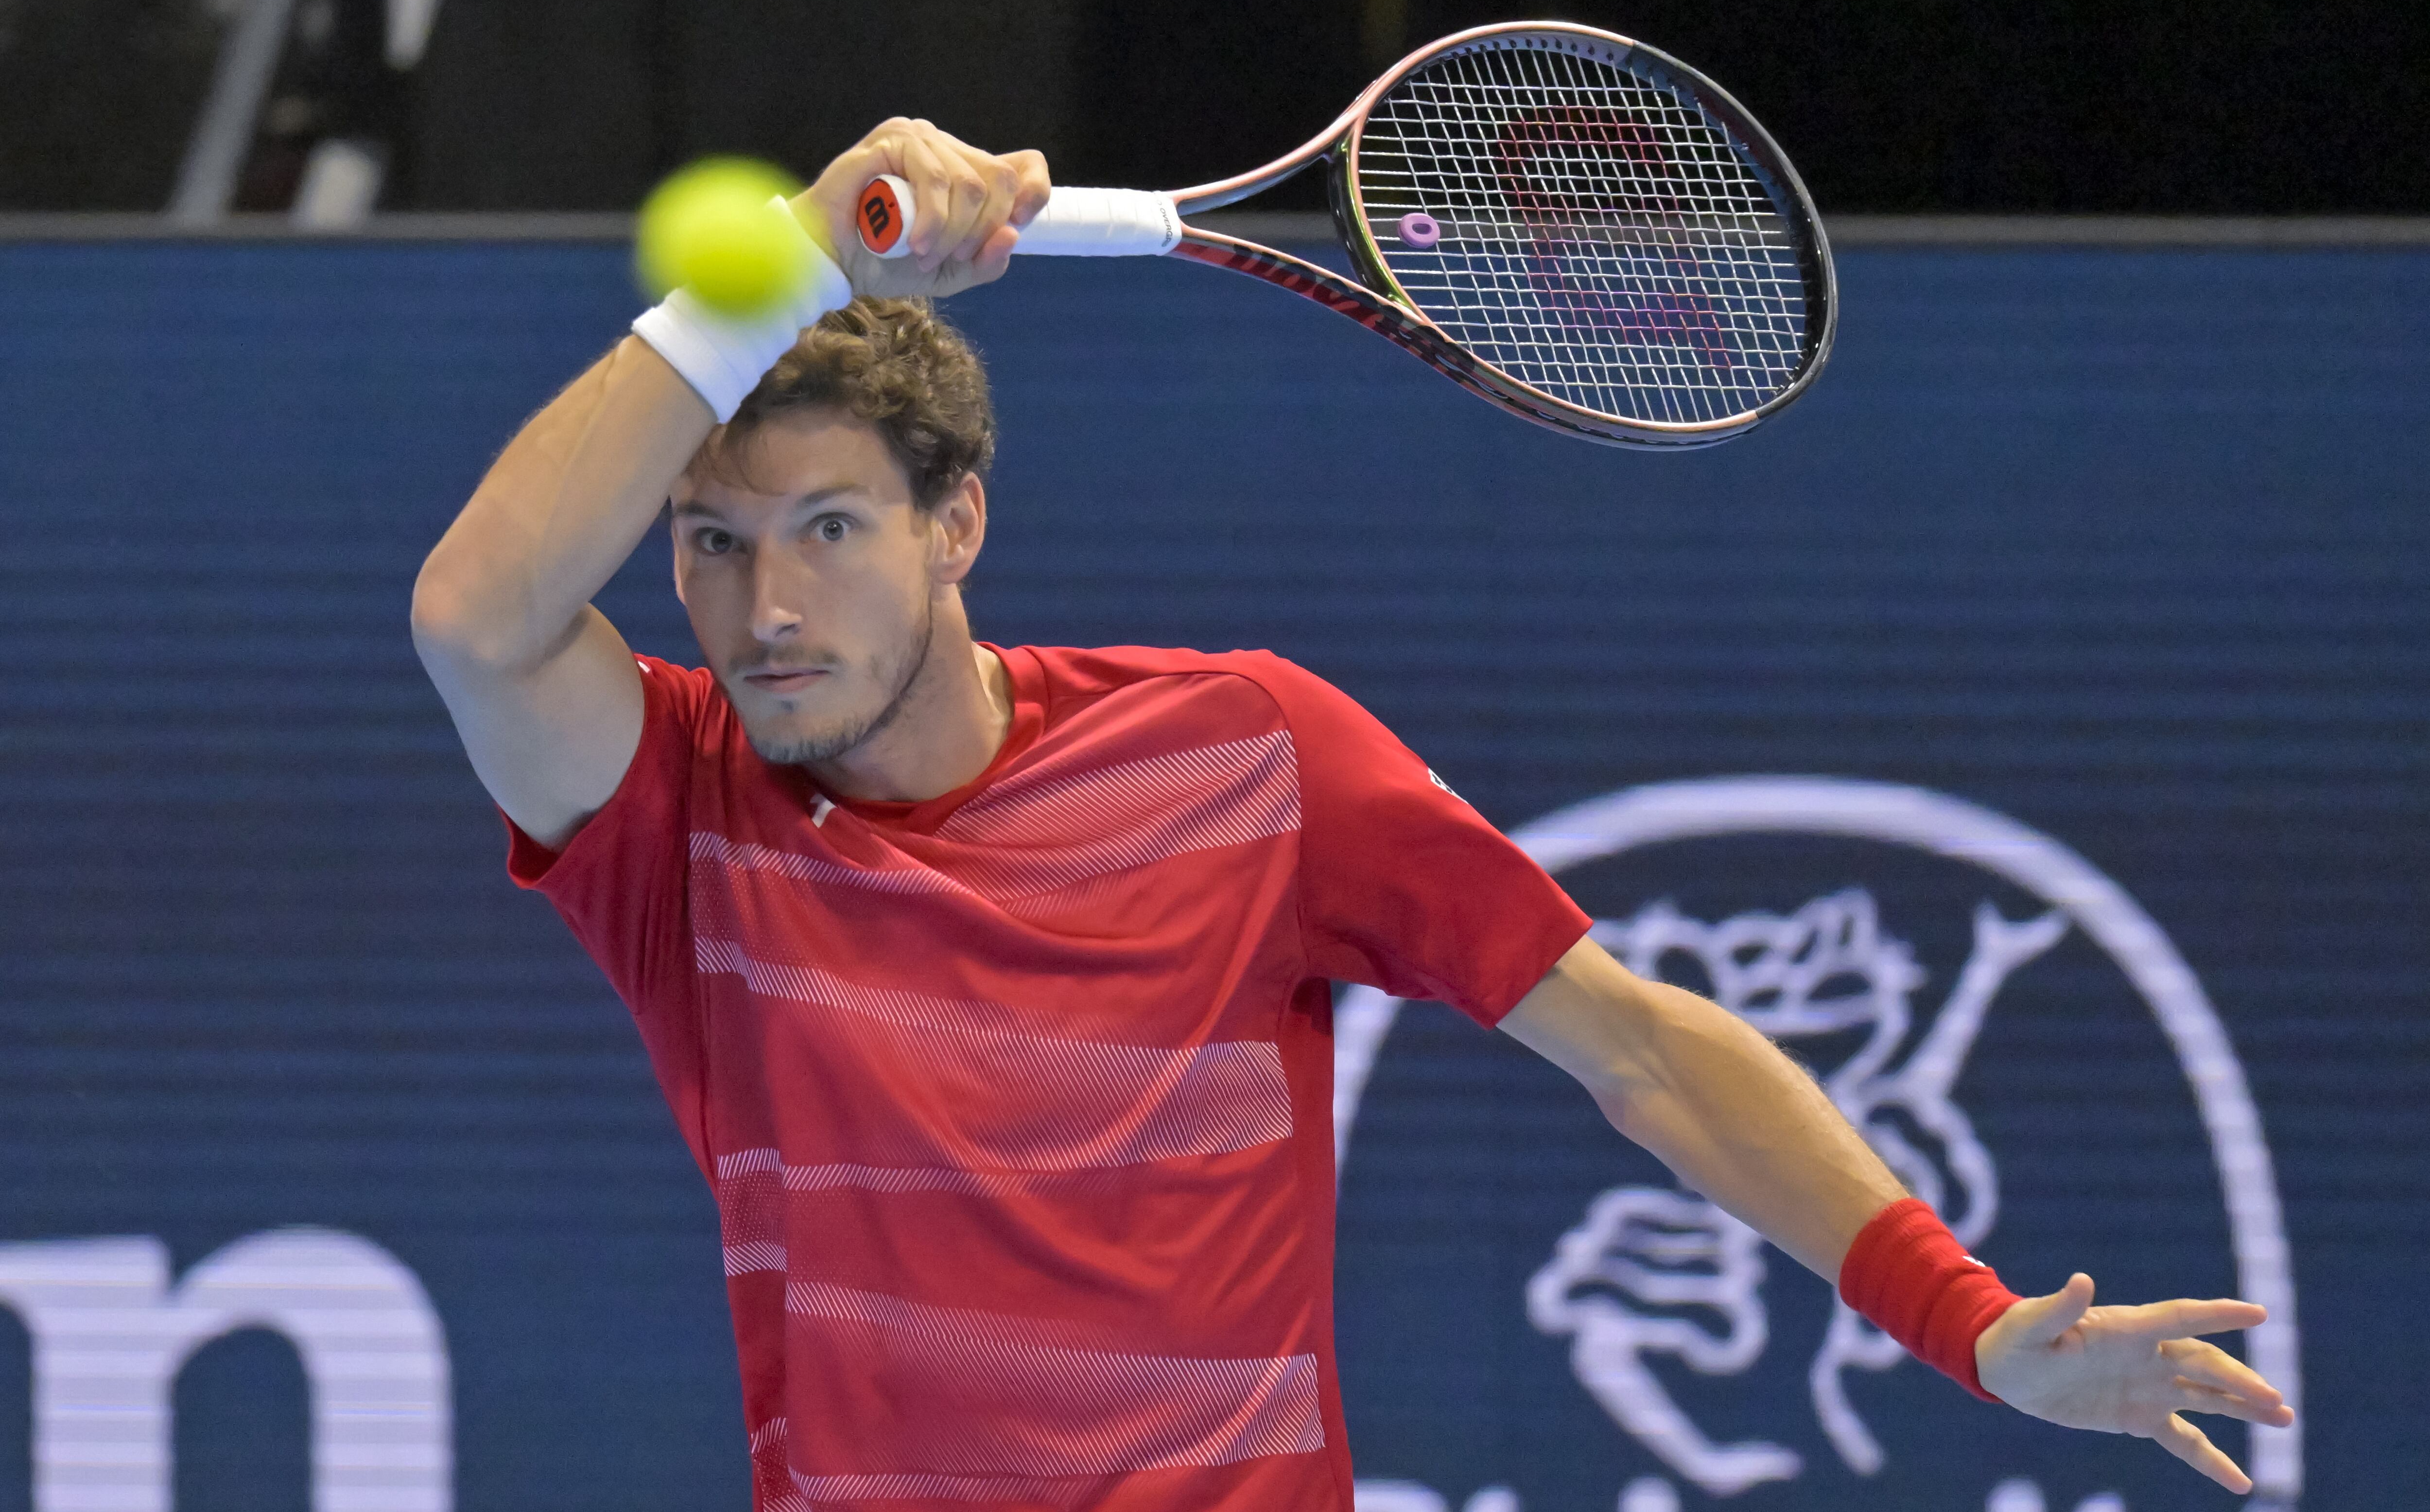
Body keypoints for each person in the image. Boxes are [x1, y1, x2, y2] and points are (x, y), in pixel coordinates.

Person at [411, 118, 2295, 1512]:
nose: (769, 610)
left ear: (955, 525)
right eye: (713, 549)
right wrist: (778, 267)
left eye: (826, 531)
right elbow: (474, 615)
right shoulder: (682, 815)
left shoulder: (1248, 754)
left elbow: (1641, 1051)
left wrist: (1957, 1322)